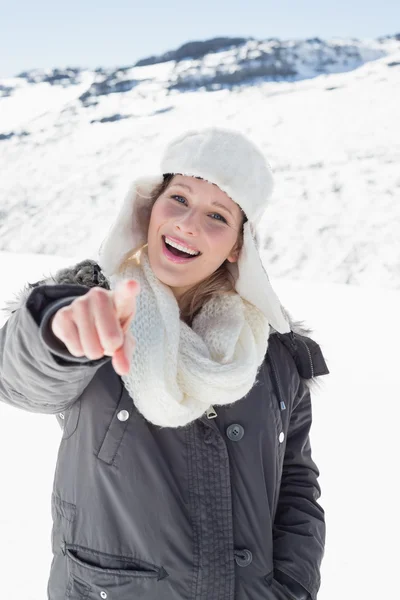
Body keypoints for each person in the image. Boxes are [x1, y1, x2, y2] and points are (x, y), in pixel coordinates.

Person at [0, 127, 329, 600]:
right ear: (149, 209)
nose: (189, 224)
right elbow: (20, 380)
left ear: (238, 246)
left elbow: (296, 486)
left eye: (217, 215)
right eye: (178, 198)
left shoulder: (274, 353)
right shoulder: (97, 308)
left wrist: (293, 586)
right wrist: (56, 333)